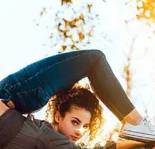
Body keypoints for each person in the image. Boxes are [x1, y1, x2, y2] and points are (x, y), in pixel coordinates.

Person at [0, 49, 155, 142]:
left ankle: (134, 124)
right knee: (95, 59)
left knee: (94, 61)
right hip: (15, 92)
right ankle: (135, 123)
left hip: (18, 93)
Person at [0, 83, 155, 149]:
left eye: (85, 126)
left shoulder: (55, 137)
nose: (80, 131)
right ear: (58, 117)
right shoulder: (51, 138)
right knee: (91, 60)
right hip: (6, 118)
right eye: (75, 122)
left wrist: (140, 144)